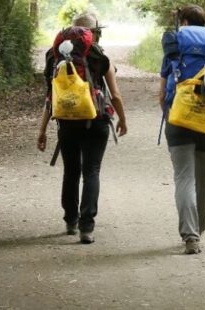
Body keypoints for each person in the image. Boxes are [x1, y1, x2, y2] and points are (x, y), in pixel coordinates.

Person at [36, 12, 128, 244]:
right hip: (96, 120)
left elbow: (51, 96)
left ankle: (70, 221)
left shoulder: (54, 56)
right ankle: (87, 227)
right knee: (92, 171)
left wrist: (42, 130)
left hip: (66, 121)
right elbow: (115, 95)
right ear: (94, 33)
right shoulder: (100, 56)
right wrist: (122, 119)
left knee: (71, 171)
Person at [158, 4, 205, 254]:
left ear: (185, 22)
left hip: (178, 121)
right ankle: (199, 230)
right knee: (203, 179)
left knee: (184, 178)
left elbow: (161, 93)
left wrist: (169, 112)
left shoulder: (174, 46)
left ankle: (190, 236)